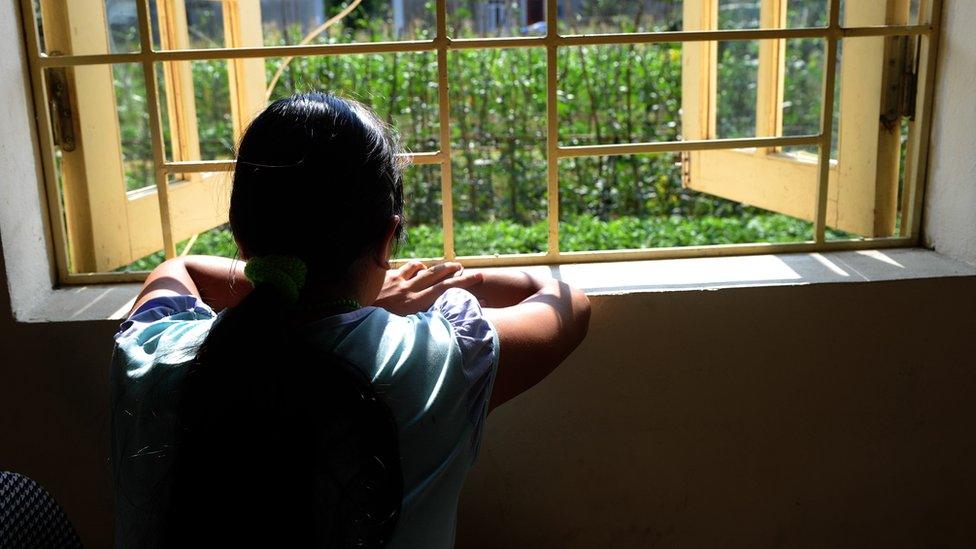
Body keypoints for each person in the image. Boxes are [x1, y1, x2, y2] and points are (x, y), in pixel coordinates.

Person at [110, 92, 590, 548]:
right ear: (387, 238)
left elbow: (180, 269)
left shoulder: (149, 355)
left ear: (238, 231)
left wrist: (281, 284)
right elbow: (565, 300)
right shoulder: (441, 359)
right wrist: (388, 305)